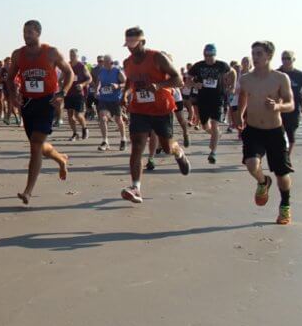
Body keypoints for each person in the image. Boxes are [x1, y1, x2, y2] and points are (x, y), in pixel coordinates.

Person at [120, 27, 190, 204]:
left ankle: (178, 152)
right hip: (139, 109)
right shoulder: (127, 62)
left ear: (142, 42)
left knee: (166, 147)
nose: (130, 48)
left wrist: (158, 85)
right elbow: (130, 79)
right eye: (127, 44)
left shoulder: (157, 57)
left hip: (161, 108)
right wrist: (125, 94)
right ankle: (136, 187)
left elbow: (179, 80)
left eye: (133, 44)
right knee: (137, 146)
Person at [7, 20, 71, 205]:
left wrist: (63, 93)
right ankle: (61, 159)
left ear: (38, 33)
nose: (26, 35)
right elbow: (10, 78)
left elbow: (69, 73)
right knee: (38, 145)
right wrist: (13, 96)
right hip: (28, 103)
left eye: (29, 32)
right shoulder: (18, 55)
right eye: (24, 32)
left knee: (35, 144)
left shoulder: (51, 52)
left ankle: (28, 191)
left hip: (47, 102)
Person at [238, 41, 295, 225]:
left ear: (269, 56)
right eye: (253, 53)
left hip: (274, 131)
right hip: (253, 129)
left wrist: (278, 106)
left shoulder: (280, 78)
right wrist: (239, 114)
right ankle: (263, 182)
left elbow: (291, 104)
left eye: (259, 54)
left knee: (282, 174)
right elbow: (243, 98)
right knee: (251, 164)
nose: (255, 57)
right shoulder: (246, 78)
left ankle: (285, 204)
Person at [187, 44, 234, 164]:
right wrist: (194, 84)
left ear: (215, 55)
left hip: (217, 98)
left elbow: (233, 71)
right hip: (203, 99)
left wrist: (232, 86)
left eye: (211, 55)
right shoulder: (198, 66)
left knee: (214, 124)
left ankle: (213, 153)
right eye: (206, 55)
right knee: (205, 126)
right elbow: (187, 80)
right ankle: (216, 135)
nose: (209, 58)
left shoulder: (221, 65)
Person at [91, 54, 126, 151]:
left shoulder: (118, 71)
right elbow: (98, 83)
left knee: (118, 120)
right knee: (102, 118)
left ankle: (123, 139)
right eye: (103, 62)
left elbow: (126, 83)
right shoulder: (102, 71)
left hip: (115, 99)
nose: (104, 64)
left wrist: (117, 86)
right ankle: (105, 141)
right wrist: (97, 90)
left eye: (106, 62)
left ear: (111, 62)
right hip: (104, 99)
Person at [278, 51, 302, 153]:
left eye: (288, 58)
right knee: (279, 130)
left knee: (291, 130)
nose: (285, 61)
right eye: (283, 58)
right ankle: (281, 151)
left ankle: (288, 156)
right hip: (279, 106)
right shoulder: (277, 73)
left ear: (293, 60)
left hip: (295, 107)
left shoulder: (300, 75)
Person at [64, 49, 91, 140]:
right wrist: (62, 86)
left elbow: (89, 79)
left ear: (77, 56)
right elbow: (61, 77)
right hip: (69, 93)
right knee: (70, 116)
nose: (72, 56)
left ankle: (85, 128)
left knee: (78, 115)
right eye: (70, 54)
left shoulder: (82, 66)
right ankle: (75, 133)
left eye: (74, 55)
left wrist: (82, 84)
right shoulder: (67, 65)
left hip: (79, 93)